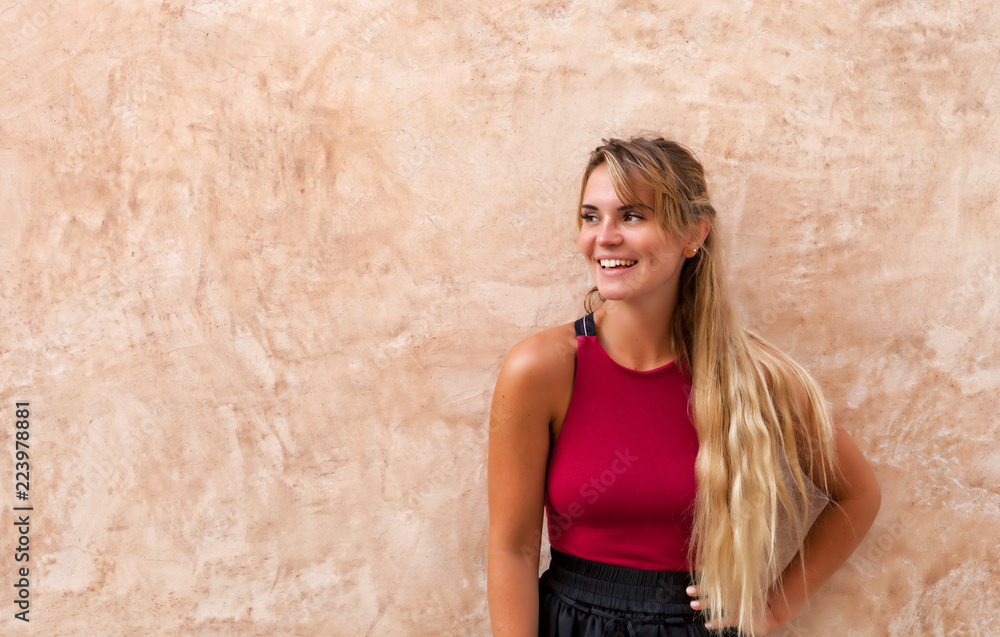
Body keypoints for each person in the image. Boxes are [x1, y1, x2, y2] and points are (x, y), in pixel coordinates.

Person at [486, 137, 881, 636]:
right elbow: (513, 549)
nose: (604, 237)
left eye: (632, 216)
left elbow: (858, 494)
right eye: (591, 216)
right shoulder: (541, 369)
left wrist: (774, 610)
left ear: (693, 235)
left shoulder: (754, 378)